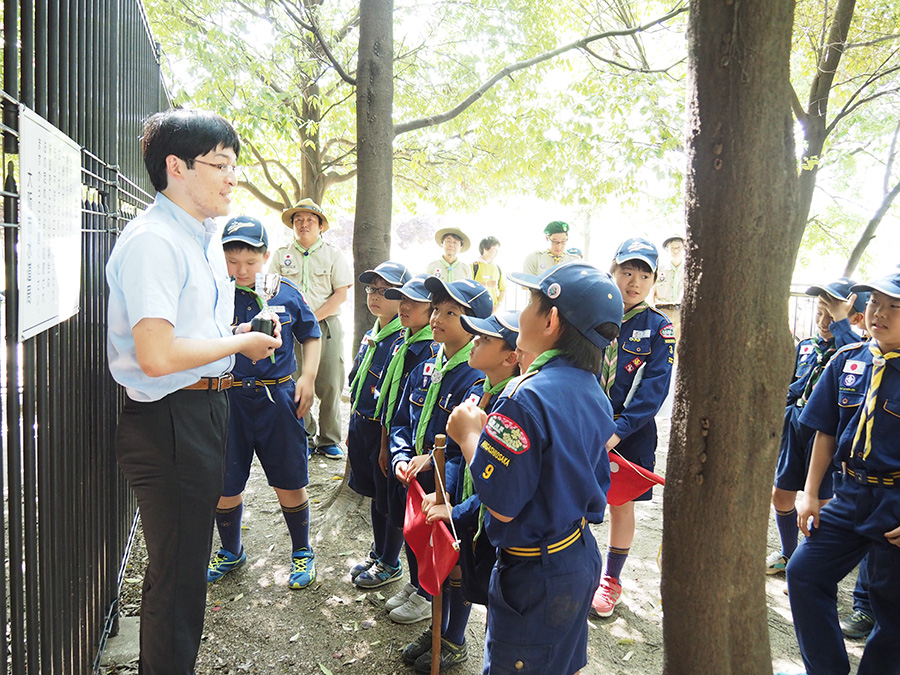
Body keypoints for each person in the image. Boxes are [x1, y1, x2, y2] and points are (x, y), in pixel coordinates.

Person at [106, 109, 281, 674]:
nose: (233, 178)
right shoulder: (155, 241)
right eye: (221, 165)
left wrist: (234, 337)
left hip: (202, 406)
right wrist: (238, 346)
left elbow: (186, 335)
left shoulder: (201, 237)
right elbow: (156, 355)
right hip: (170, 419)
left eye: (234, 165)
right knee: (179, 578)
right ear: (176, 167)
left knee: (185, 567)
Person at [447, 262, 623, 675]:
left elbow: (504, 506)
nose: (522, 312)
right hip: (576, 556)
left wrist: (469, 435)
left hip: (535, 574)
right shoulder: (591, 387)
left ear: (552, 319)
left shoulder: (526, 398)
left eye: (530, 302)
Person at [787, 269, 900, 675]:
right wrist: (810, 492)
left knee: (893, 610)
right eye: (874, 303)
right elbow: (826, 432)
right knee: (803, 574)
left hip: (896, 504)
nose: (879, 313)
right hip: (848, 493)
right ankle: (827, 669)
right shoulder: (847, 361)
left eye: (894, 306)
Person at [206, 216, 322, 589]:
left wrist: (308, 377)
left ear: (266, 256)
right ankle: (230, 550)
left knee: (289, 477)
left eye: (251, 263)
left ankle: (302, 551)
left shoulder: (285, 292)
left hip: (279, 398)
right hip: (230, 397)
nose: (241, 271)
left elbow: (311, 333)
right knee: (226, 481)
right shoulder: (214, 294)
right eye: (233, 261)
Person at [403, 311, 521, 674]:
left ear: (510, 358)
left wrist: (458, 511)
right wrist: (445, 495)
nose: (474, 341)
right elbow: (455, 454)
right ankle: (442, 631)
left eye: (484, 340)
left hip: (489, 518)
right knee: (455, 570)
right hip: (463, 504)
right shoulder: (479, 394)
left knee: (476, 582)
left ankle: (455, 639)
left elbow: (499, 484)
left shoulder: (511, 407)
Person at [388, 278, 492, 626]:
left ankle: (445, 624)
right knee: (414, 534)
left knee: (450, 555)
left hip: (447, 484)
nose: (437, 318)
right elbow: (403, 418)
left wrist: (431, 460)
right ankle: (419, 585)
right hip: (415, 476)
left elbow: (468, 448)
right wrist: (400, 455)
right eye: (435, 310)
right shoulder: (427, 366)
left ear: (476, 324)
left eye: (451, 312)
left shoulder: (477, 378)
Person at [592, 237, 675, 618]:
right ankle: (576, 570)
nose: (634, 281)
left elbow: (653, 391)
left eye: (644, 274)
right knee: (572, 495)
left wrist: (619, 430)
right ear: (613, 270)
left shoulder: (659, 328)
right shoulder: (590, 316)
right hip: (585, 426)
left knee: (620, 504)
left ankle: (611, 579)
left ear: (654, 280)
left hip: (630, 433)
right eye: (627, 271)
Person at [766, 277, 866, 576]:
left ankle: (812, 566)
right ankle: (789, 553)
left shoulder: (856, 350)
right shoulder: (808, 346)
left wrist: (840, 325)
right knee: (780, 493)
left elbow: (853, 359)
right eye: (821, 311)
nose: (824, 320)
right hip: (796, 426)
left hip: (826, 435)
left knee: (821, 502)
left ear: (857, 319)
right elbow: (794, 384)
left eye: (833, 313)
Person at [350, 275, 441, 599]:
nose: (404, 306)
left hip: (403, 445)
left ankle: (397, 567)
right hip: (384, 433)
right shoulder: (401, 339)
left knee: (397, 507)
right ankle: (383, 556)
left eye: (412, 302)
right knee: (380, 497)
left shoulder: (428, 350)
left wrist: (389, 443)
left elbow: (410, 405)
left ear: (431, 308)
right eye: (400, 299)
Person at [345, 261, 412, 589]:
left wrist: (385, 441)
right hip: (363, 423)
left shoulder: (403, 338)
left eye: (385, 291)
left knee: (388, 499)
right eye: (372, 289)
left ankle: (390, 561)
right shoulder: (375, 331)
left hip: (382, 429)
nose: (375, 296)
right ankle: (378, 551)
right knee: (374, 494)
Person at [270, 199, 353, 459]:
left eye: (309, 220)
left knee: (329, 382)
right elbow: (271, 290)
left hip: (325, 326)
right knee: (292, 381)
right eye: (298, 220)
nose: (303, 224)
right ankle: (303, 436)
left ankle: (328, 439)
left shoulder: (333, 254)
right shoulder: (281, 254)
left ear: (320, 226)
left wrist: (312, 319)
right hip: (289, 330)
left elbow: (340, 294)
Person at [653, 234, 685, 343]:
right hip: (662, 312)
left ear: (684, 248)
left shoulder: (689, 271)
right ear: (667, 250)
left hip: (680, 312)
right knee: (660, 343)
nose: (676, 251)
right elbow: (652, 294)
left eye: (678, 247)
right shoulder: (659, 270)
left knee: (678, 344)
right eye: (672, 248)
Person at [472, 236, 506, 309]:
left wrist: (498, 305)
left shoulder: (497, 268)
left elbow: (503, 289)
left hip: (492, 310)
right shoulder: (473, 266)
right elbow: (468, 286)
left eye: (498, 250)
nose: (497, 253)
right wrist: (486, 284)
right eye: (495, 250)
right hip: (475, 309)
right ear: (485, 249)